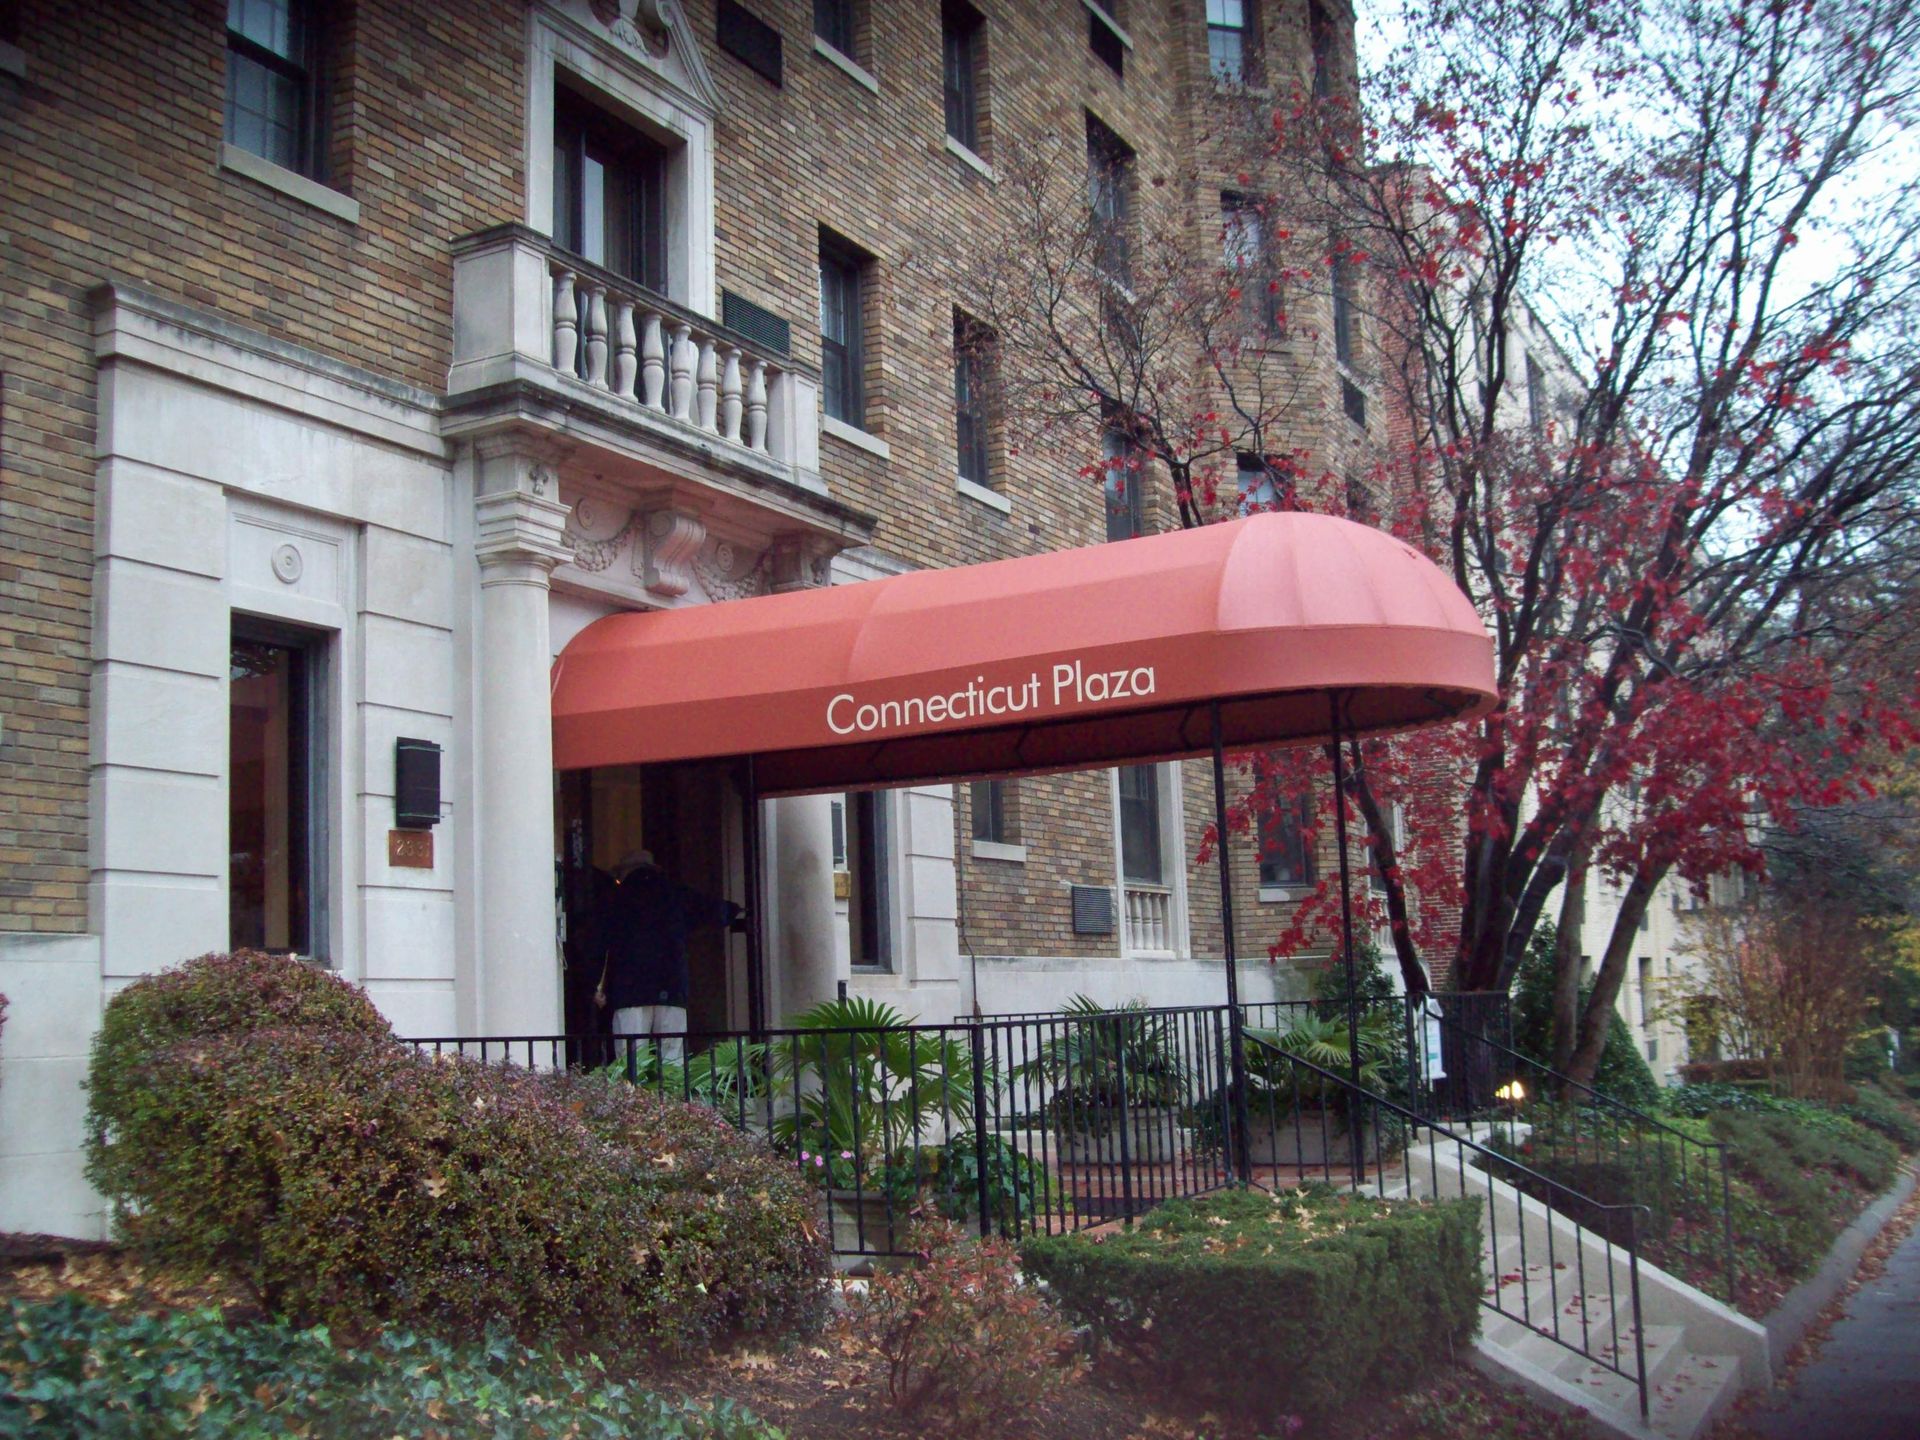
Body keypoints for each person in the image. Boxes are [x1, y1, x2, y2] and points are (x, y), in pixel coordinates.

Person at [595, 849, 741, 1065]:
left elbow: (597, 943)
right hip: (671, 985)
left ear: (624, 873)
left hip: (630, 989)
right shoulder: (675, 892)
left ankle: (633, 1099)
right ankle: (671, 1099)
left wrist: (596, 985)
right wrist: (737, 910)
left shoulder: (615, 898)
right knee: (672, 1059)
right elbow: (715, 911)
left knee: (631, 1061)